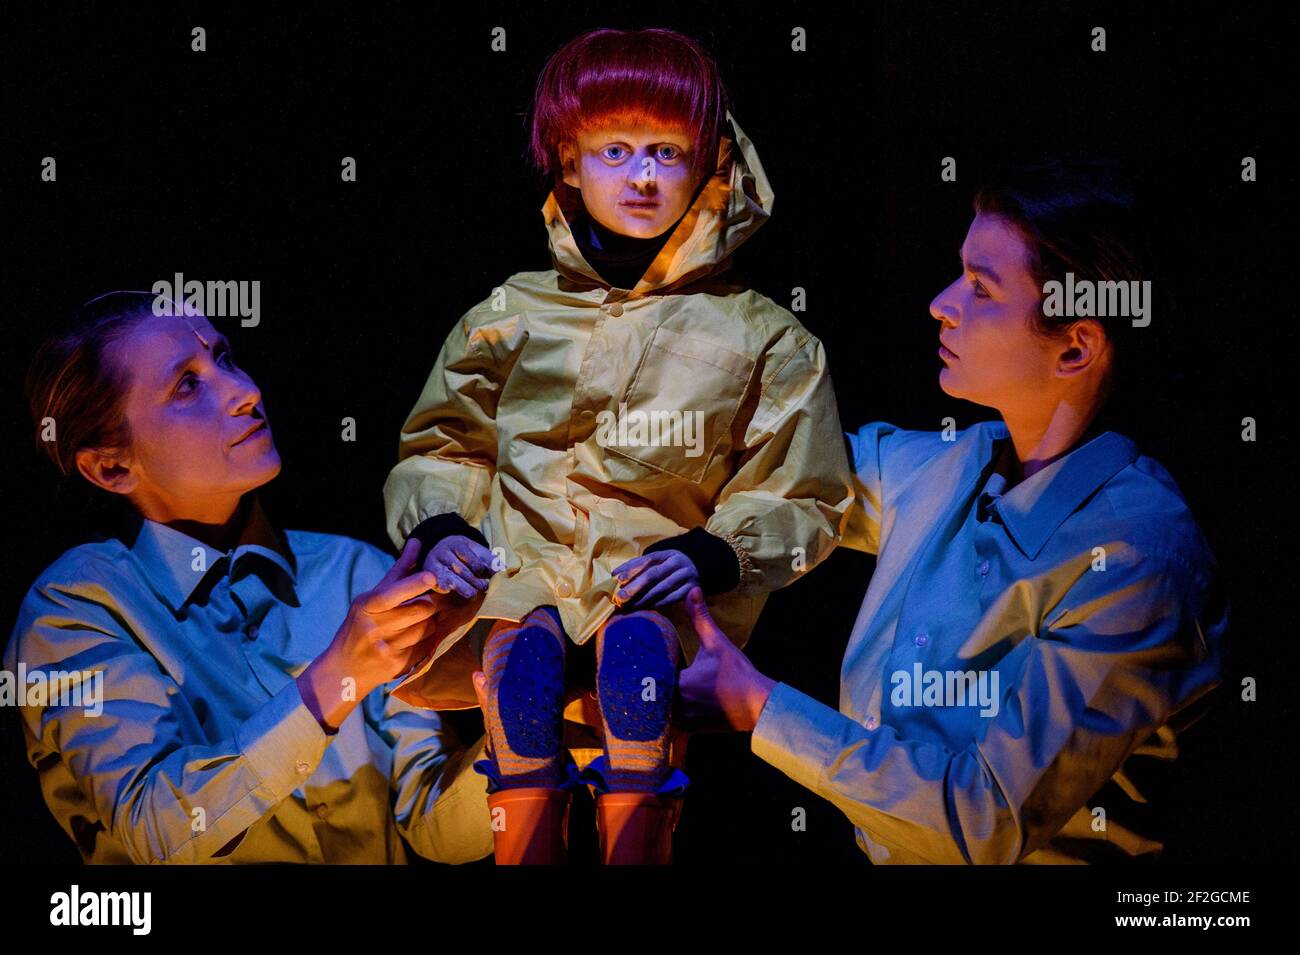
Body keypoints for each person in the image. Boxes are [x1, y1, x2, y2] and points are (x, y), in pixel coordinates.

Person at [383, 27, 853, 864]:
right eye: (614, 150)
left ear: (708, 162)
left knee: (636, 665)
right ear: (568, 161)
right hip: (522, 587)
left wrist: (717, 552)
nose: (641, 175)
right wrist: (446, 525)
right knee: (521, 674)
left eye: (667, 151)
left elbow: (803, 488)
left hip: (652, 596)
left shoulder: (765, 335)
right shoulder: (509, 313)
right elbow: (441, 444)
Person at [677, 159, 1230, 864]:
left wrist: (761, 708)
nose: (942, 302)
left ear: (1075, 345)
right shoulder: (955, 461)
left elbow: (984, 816)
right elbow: (784, 462)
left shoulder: (1136, 561)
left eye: (980, 287)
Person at [5, 291, 493, 864]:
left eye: (226, 357)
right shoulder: (78, 605)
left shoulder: (353, 571)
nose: (246, 392)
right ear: (112, 466)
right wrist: (337, 677)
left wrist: (529, 729)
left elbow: (434, 825)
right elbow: (155, 828)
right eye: (187, 384)